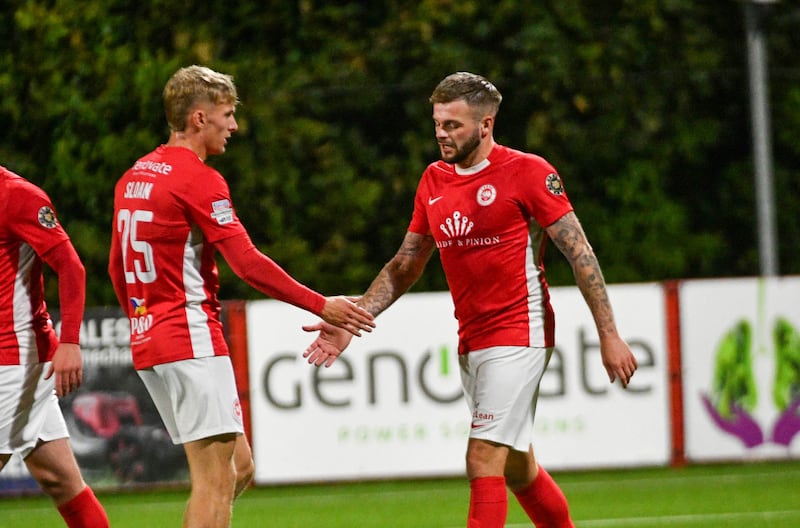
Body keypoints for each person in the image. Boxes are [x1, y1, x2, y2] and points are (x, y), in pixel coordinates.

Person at [303, 72, 639, 528]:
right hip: (473, 340)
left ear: (486, 125)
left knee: (482, 457)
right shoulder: (434, 180)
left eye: (453, 125)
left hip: (521, 332)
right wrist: (353, 318)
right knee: (519, 467)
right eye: (438, 123)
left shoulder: (528, 171)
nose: (441, 134)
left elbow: (580, 254)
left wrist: (610, 335)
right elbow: (405, 264)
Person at [108, 65, 375, 528]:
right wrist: (321, 304)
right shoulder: (197, 177)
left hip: (153, 338)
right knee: (213, 480)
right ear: (198, 118)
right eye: (226, 115)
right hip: (189, 337)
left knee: (237, 469)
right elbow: (247, 263)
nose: (233, 126)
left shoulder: (135, 176)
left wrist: (141, 319)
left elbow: (116, 265)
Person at [0, 166, 109, 528]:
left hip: (15, 361)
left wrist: (71, 341)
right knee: (60, 480)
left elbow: (71, 267)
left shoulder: (17, 196)